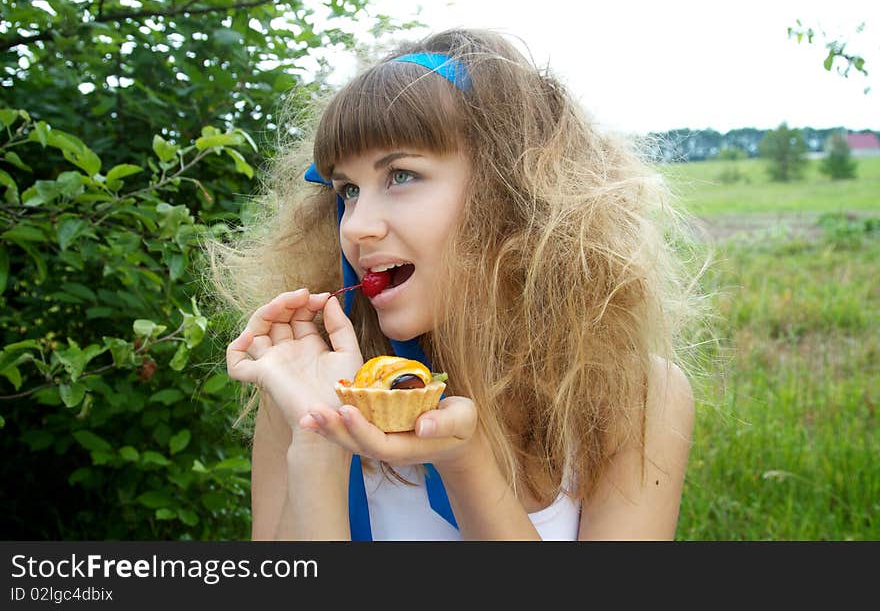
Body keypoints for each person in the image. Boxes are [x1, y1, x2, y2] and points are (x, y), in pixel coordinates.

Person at [208, 28, 709, 540]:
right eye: (349, 189)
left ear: (511, 195)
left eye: (400, 175)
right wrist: (317, 435)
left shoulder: (636, 394)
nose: (356, 226)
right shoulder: (310, 384)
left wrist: (465, 462)